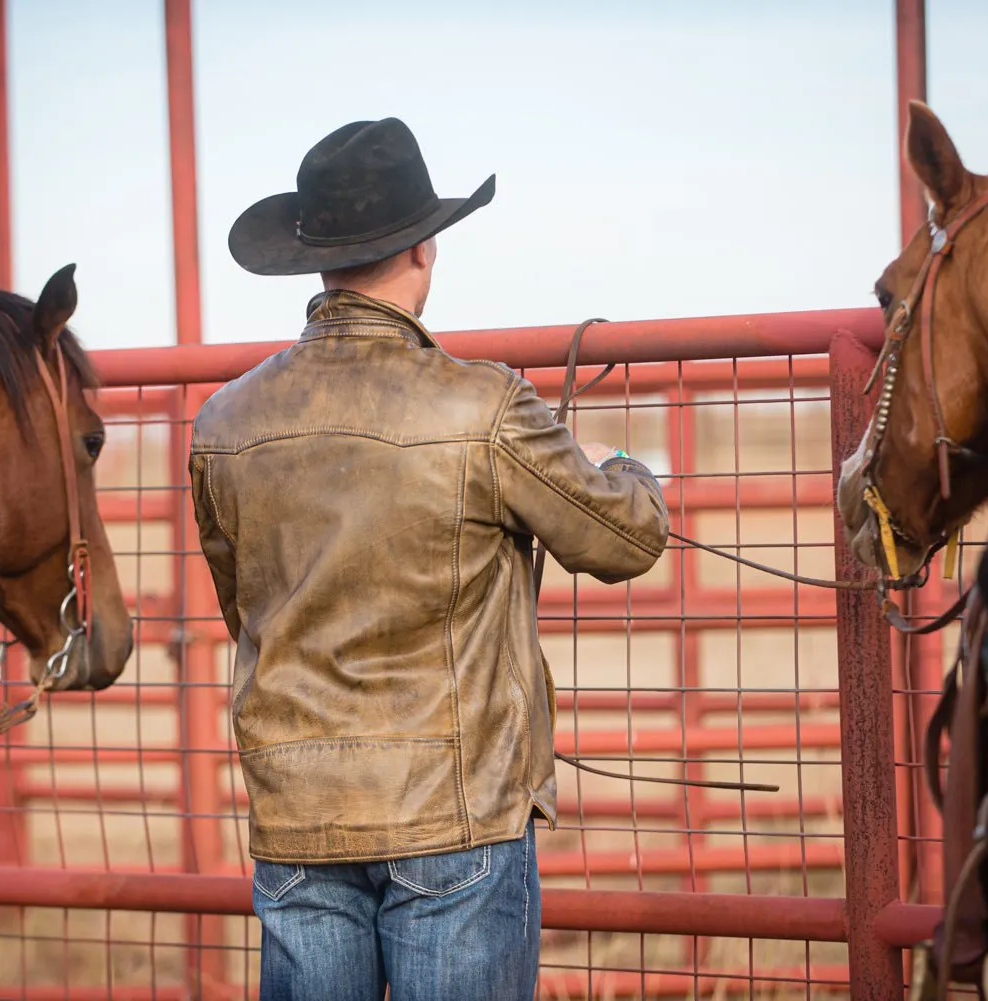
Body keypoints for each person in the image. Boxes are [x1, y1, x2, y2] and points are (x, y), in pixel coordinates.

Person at [190, 117, 669, 1001]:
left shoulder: (223, 422)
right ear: (426, 248)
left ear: (316, 259)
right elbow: (625, 537)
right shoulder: (481, 405)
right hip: (455, 806)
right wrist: (634, 470)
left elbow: (243, 601)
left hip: (299, 813)